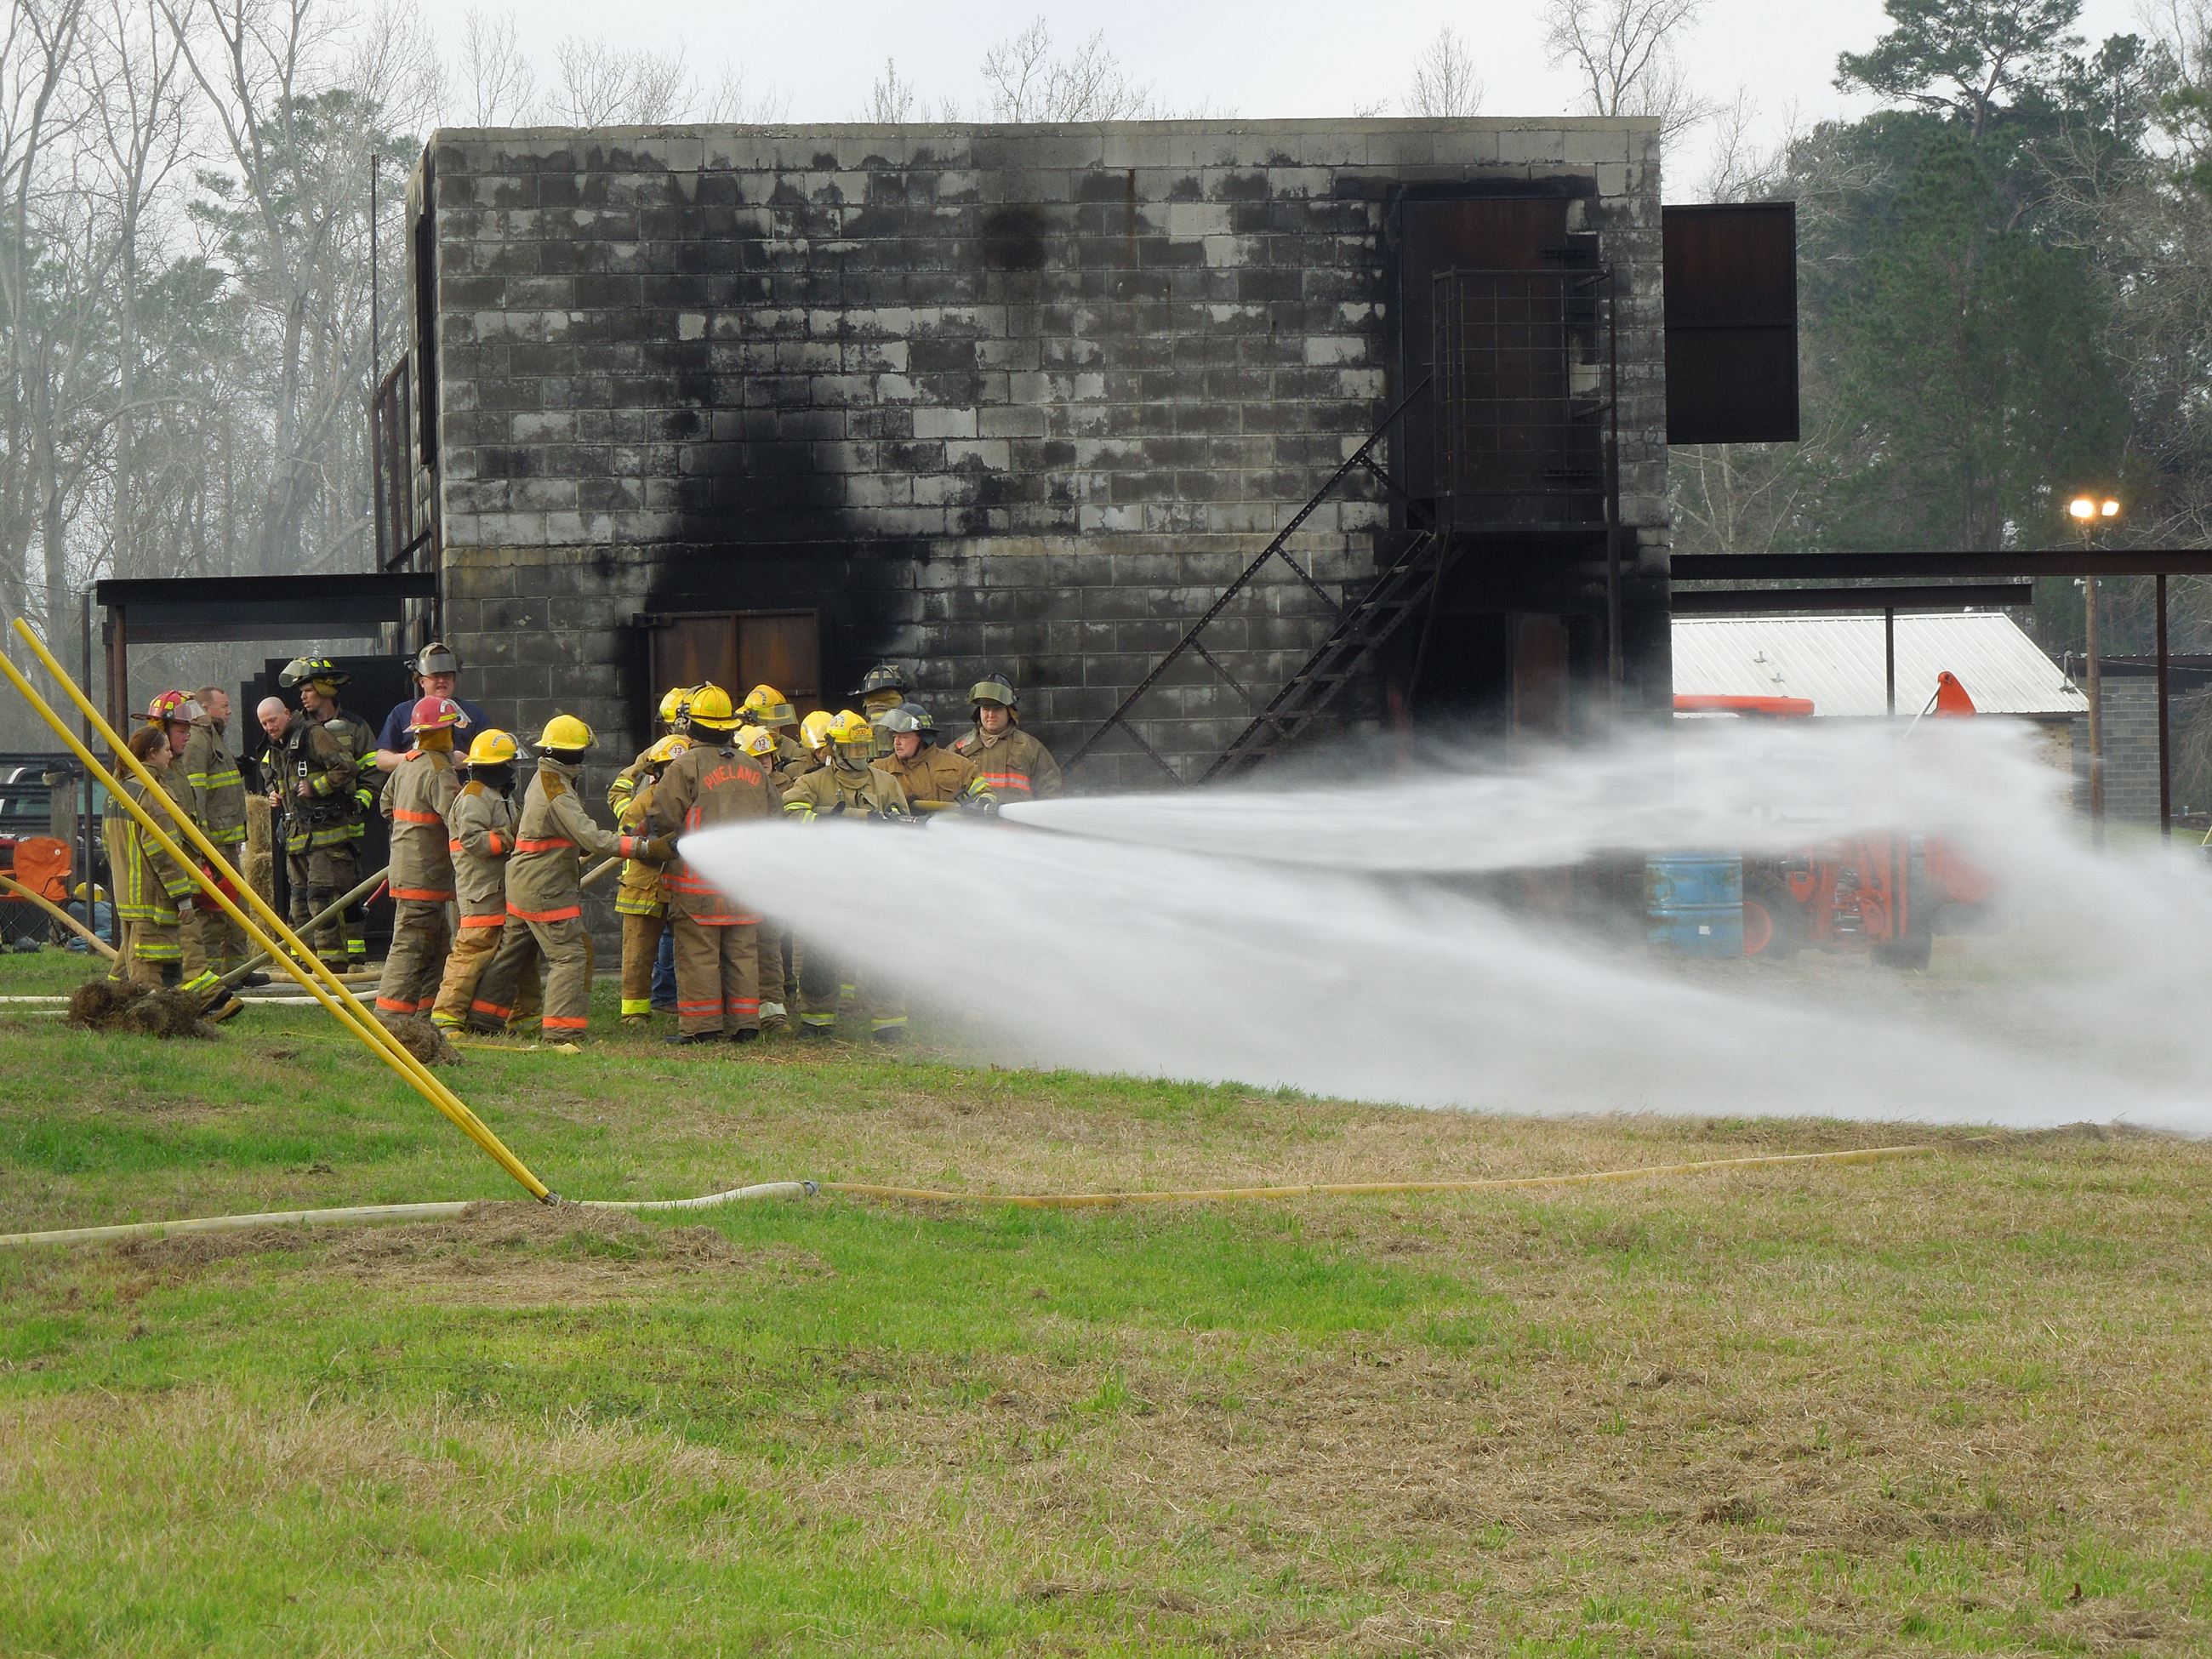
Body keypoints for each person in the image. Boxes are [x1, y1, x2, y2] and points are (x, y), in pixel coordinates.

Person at [469, 715, 651, 1041]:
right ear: (575, 754)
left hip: (525, 882)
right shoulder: (557, 790)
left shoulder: (547, 778)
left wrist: (616, 838)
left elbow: (563, 836)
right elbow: (591, 838)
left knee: (511, 955)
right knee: (571, 954)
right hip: (545, 888)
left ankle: (482, 1018)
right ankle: (562, 1031)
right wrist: (643, 847)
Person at [647, 686, 781, 1046]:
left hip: (697, 883)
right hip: (745, 883)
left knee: (698, 954)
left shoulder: (685, 765)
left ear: (693, 726)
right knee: (742, 951)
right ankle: (745, 1024)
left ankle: (702, 1027)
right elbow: (775, 816)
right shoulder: (753, 765)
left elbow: (663, 817)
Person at [780, 710, 912, 1041]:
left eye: (864, 748)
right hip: (827, 884)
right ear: (835, 749)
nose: (860, 756)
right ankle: (817, 1020)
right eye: (853, 749)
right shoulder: (812, 782)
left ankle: (889, 1022)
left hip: (875, 884)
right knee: (820, 954)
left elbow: (903, 827)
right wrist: (829, 821)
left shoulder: (886, 782)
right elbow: (788, 812)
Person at [115, 724, 236, 1018]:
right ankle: (152, 1020)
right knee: (149, 963)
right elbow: (164, 850)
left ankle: (113, 999)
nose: (171, 754)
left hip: (128, 891)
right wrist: (182, 894)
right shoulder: (151, 791)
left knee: (133, 958)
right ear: (152, 753)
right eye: (166, 750)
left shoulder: (121, 788)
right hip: (152, 892)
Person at [431, 728, 537, 1033]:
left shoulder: (498, 795)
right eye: (507, 765)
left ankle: (517, 1015)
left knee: (517, 953)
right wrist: (511, 837)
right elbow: (474, 842)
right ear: (493, 767)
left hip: (502, 889)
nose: (511, 771)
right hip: (481, 892)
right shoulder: (475, 797)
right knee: (472, 953)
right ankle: (447, 1017)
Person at [277, 658, 377, 966]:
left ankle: (353, 954)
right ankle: (315, 958)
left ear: (325, 690)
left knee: (347, 892)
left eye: (308, 690)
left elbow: (370, 770)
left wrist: (361, 802)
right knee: (309, 893)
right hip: (307, 829)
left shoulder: (355, 727)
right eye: (301, 692)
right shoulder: (298, 732)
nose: (303, 697)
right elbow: (277, 768)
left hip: (347, 824)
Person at [373, 697, 464, 1021]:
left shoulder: (407, 764)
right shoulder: (441, 773)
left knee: (436, 945)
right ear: (443, 733)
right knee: (409, 947)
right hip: (425, 876)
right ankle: (389, 1017)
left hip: (406, 871)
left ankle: (427, 1014)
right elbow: (458, 820)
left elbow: (386, 805)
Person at [259, 683, 359, 968]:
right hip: (296, 836)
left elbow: (347, 768)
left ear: (287, 714)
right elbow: (274, 776)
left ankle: (332, 964)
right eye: (264, 723)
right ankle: (306, 964)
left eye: (273, 720)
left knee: (322, 898)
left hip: (324, 837)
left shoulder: (314, 735)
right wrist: (274, 792)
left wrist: (316, 787)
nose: (269, 727)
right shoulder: (277, 747)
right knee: (300, 902)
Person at [614, 732, 691, 1028]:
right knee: (638, 951)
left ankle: (688, 1003)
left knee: (688, 949)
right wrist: (650, 840)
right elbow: (629, 839)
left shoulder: (696, 799)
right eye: (667, 769)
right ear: (655, 773)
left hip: (682, 884)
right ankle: (635, 1012)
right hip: (643, 886)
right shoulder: (643, 802)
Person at [182, 687, 254, 981]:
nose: (229, 711)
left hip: (228, 840)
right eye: (223, 706)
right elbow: (196, 793)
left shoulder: (214, 737)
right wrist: (203, 843)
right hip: (214, 843)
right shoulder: (198, 740)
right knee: (213, 909)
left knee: (237, 905)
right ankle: (209, 973)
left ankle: (238, 969)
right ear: (205, 708)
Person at [373, 641, 491, 772]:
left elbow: (493, 756)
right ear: (422, 681)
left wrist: (468, 761)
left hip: (461, 789)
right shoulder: (402, 712)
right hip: (418, 788)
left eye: (447, 675)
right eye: (435, 676)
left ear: (454, 679)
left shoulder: (472, 714)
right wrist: (414, 759)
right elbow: (382, 759)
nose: (442, 680)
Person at [953, 671, 1063, 803]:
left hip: (1018, 821)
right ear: (979, 712)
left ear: (1010, 712)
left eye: (997, 709)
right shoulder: (960, 748)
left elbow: (1050, 793)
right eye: (986, 709)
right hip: (974, 822)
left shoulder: (1030, 747)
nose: (990, 715)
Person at [871, 705, 995, 813]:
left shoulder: (959, 766)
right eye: (895, 737)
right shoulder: (880, 770)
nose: (897, 742)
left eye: (904, 737)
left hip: (948, 837)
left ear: (923, 738)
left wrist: (984, 802)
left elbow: (984, 792)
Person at [744, 683, 818, 777]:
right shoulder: (740, 745)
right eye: (768, 723)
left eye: (778, 722)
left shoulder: (794, 751)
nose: (775, 727)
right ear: (752, 723)